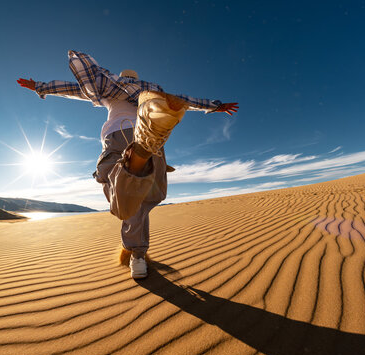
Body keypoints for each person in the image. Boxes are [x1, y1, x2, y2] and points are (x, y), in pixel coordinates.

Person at [17, 50, 238, 279]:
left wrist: (40, 86)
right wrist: (213, 105)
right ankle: (138, 254)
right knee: (143, 196)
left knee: (114, 184)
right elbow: (182, 100)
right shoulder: (150, 89)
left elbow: (73, 89)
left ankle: (135, 247)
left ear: (122, 76)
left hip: (116, 135)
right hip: (150, 133)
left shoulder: (109, 86)